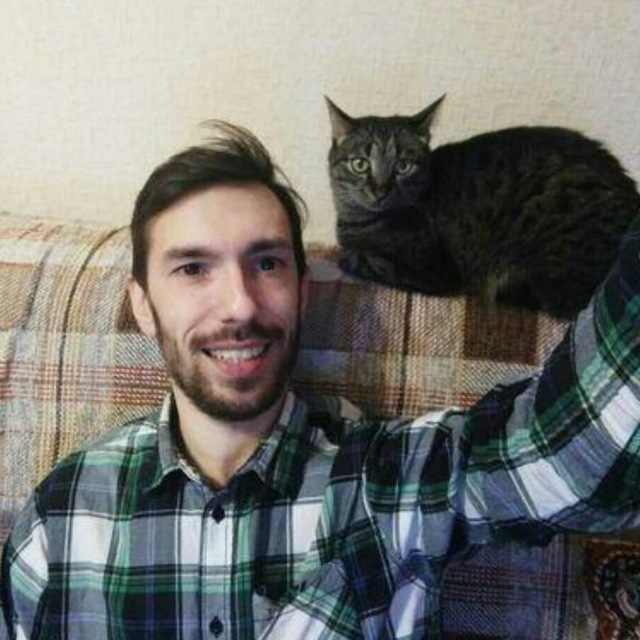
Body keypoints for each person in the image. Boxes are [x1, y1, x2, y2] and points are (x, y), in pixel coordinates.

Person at [1, 120, 640, 640]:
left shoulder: (394, 477)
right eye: (193, 268)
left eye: (267, 264)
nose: (240, 305)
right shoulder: (63, 510)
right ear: (142, 305)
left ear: (302, 290)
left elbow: (577, 462)